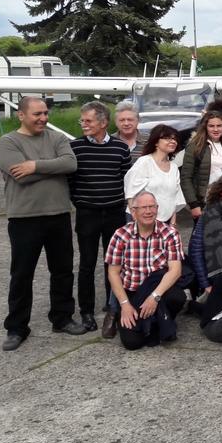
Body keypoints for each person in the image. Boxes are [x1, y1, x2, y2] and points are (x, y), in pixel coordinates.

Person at [0, 97, 84, 351]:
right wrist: (52, 169)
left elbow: (70, 164)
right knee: (22, 274)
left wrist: (34, 165)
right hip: (24, 218)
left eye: (45, 113)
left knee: (63, 270)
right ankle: (16, 328)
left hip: (58, 214)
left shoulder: (56, 138)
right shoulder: (8, 142)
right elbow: (18, 176)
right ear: (21, 115)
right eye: (37, 114)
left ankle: (62, 318)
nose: (43, 118)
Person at [70, 100, 132, 333]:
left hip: (114, 212)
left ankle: (111, 305)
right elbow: (71, 181)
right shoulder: (75, 147)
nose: (83, 124)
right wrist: (81, 202)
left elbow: (126, 179)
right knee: (87, 263)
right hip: (88, 213)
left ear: (103, 122)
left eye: (88, 120)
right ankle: (86, 311)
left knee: (113, 262)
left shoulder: (120, 148)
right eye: (82, 120)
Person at [104, 191, 186, 351]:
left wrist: (154, 297)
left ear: (157, 208)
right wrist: (125, 305)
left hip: (159, 290)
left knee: (177, 297)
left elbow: (175, 270)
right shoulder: (121, 235)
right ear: (133, 212)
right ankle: (156, 321)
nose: (148, 211)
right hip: (133, 292)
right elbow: (113, 273)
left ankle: (159, 319)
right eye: (143, 208)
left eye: (152, 207)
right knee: (132, 343)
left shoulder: (170, 233)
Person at [180, 111, 222, 220]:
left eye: (219, 126)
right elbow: (186, 177)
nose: (216, 129)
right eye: (211, 126)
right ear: (205, 127)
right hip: (204, 202)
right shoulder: (195, 146)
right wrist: (193, 204)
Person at [124, 124, 185, 225]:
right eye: (167, 138)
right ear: (156, 142)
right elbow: (131, 193)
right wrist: (136, 220)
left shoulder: (174, 167)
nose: (173, 141)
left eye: (174, 139)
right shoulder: (144, 162)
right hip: (141, 221)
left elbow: (174, 198)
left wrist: (172, 223)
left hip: (165, 222)